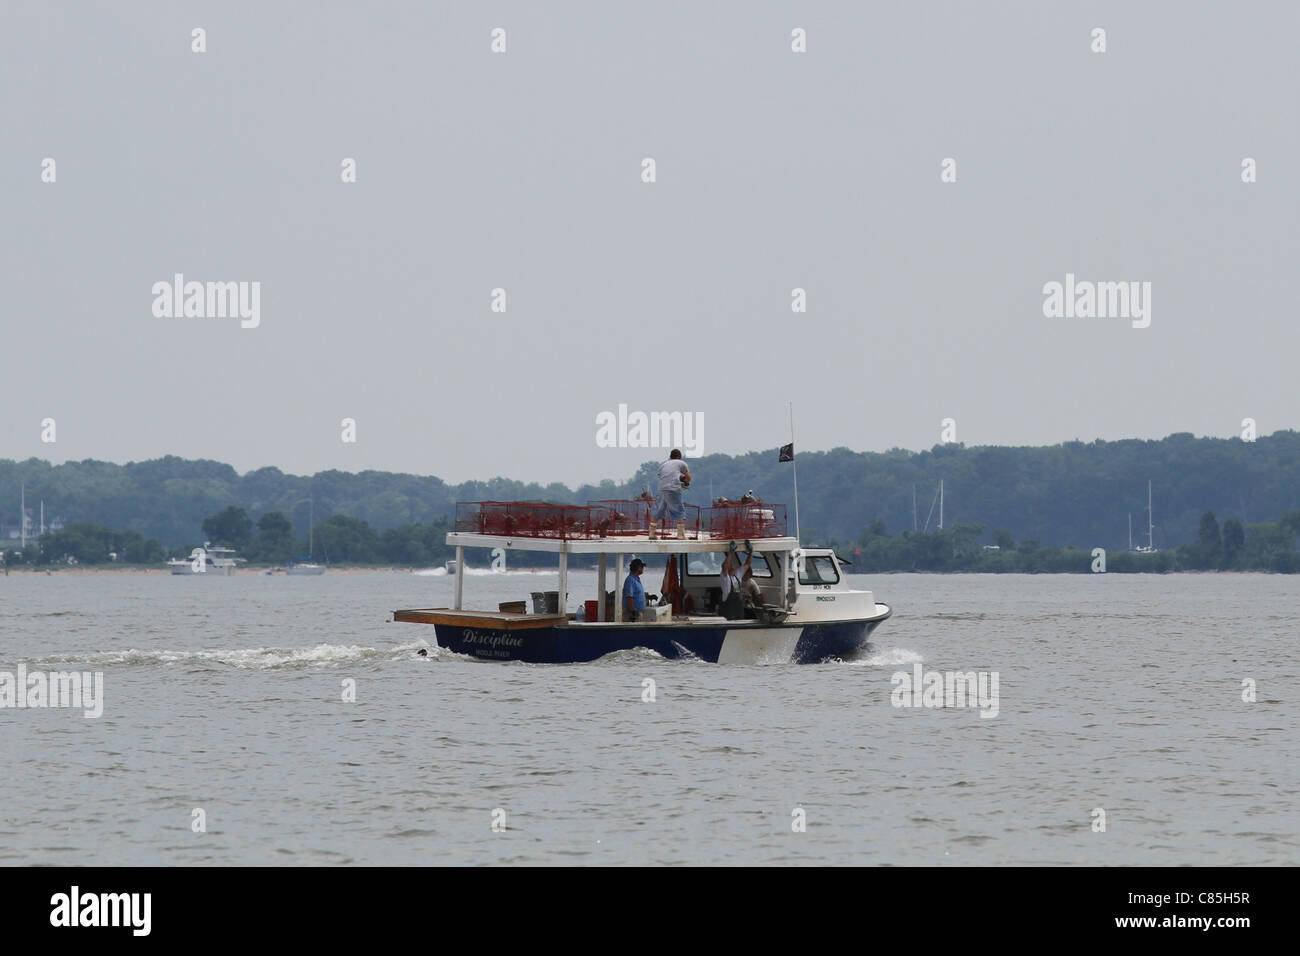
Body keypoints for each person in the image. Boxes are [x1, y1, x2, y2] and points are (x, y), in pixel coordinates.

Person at [653, 449, 691, 538]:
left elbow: (661, 476)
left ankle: (651, 533)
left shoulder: (664, 464)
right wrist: (686, 482)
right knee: (679, 511)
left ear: (671, 456)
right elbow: (688, 477)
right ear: (679, 457)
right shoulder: (681, 463)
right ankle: (680, 535)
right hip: (673, 489)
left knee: (659, 510)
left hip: (662, 489)